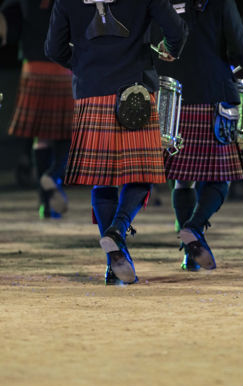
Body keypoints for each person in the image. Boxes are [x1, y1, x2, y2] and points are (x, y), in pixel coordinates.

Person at [45, 0, 188, 284]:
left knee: (103, 179)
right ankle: (118, 230)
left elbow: (53, 49)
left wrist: (85, 63)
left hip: (91, 91)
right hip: (134, 91)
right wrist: (170, 51)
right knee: (141, 173)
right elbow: (177, 31)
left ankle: (114, 262)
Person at [153, 0, 243, 271]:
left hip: (175, 99)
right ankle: (193, 228)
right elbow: (242, 47)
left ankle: (188, 255)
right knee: (221, 179)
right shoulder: (221, 2)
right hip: (213, 94)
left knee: (182, 181)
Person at [0, 0, 74, 219]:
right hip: (62, 65)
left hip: (33, 66)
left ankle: (45, 203)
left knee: (41, 138)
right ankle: (53, 175)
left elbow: (8, 27)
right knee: (71, 132)